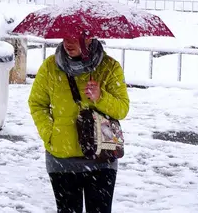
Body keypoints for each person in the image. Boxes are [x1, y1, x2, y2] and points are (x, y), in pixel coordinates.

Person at [28, 32, 130, 213]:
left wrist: (101, 97)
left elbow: (122, 109)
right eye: (65, 36)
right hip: (62, 158)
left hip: (101, 157)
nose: (68, 41)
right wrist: (50, 134)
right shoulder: (51, 67)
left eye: (75, 37)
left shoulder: (109, 67)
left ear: (90, 38)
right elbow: (37, 104)